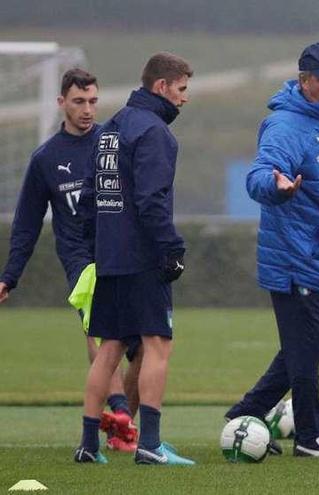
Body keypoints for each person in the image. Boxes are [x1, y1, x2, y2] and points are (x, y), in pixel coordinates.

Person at [225, 41, 319, 458]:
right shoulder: (284, 125)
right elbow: (259, 175)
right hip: (296, 256)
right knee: (305, 345)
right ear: (304, 81)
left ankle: (245, 412)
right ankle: (309, 435)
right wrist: (278, 186)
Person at [0, 68, 140, 453]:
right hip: (81, 260)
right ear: (62, 103)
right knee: (101, 331)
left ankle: (120, 420)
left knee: (142, 347)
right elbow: (27, 223)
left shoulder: (113, 144)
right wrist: (9, 276)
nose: (87, 109)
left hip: (121, 252)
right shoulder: (46, 158)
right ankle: (119, 414)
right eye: (79, 101)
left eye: (93, 101)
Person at [74, 52, 194, 465]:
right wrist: (172, 248)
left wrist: (98, 248)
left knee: (109, 349)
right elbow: (151, 200)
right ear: (161, 86)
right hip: (142, 259)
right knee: (158, 345)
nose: (184, 98)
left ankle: (88, 447)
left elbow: (88, 200)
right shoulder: (155, 132)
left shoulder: (109, 129)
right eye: (181, 89)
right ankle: (151, 445)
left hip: (110, 258)